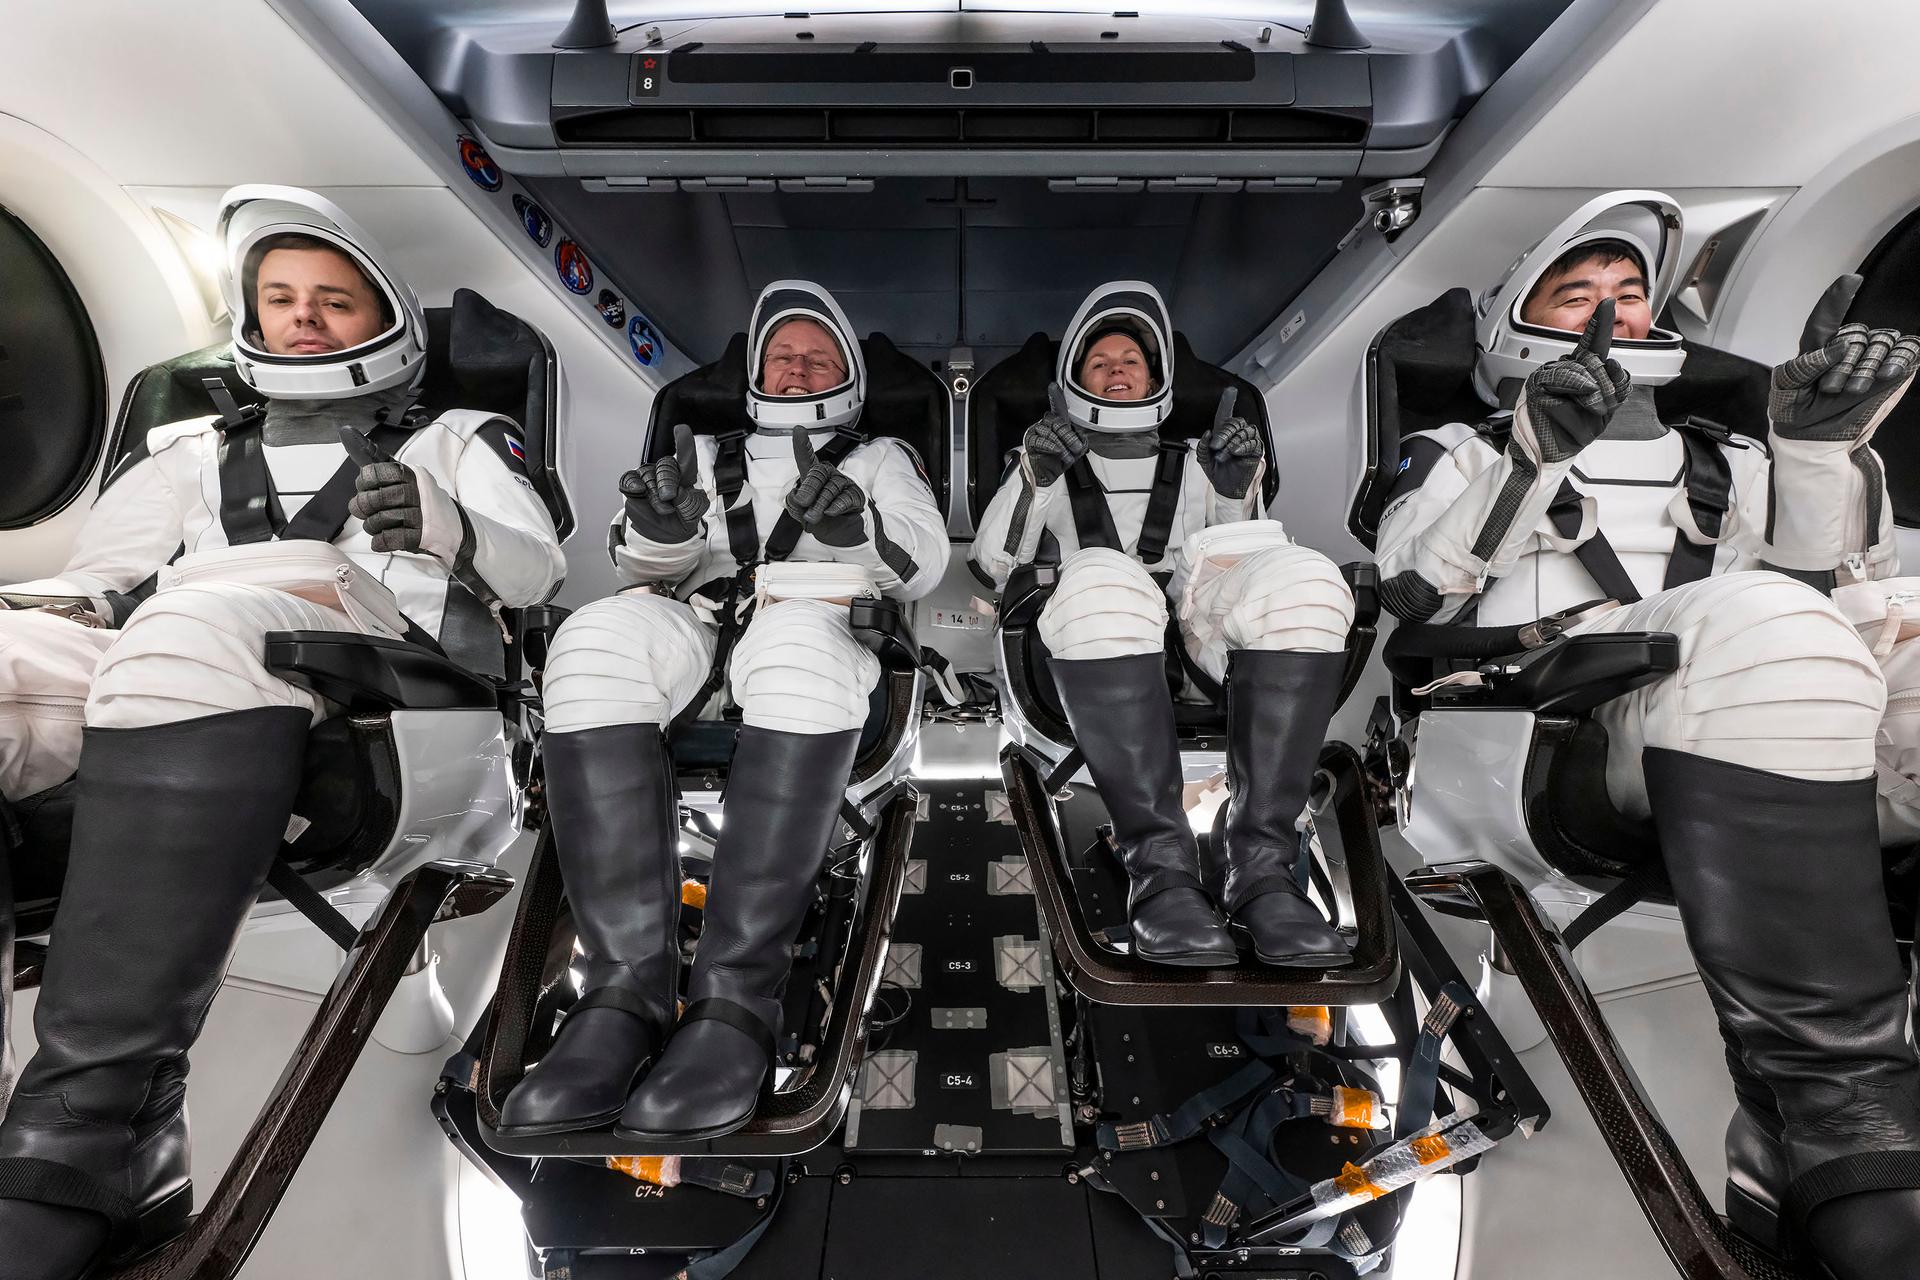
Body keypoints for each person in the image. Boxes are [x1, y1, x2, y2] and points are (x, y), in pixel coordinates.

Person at [0, 185, 565, 1280]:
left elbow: (536, 569)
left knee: (199, 615)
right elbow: (95, 583)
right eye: (281, 298)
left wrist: (447, 523)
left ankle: (93, 1137)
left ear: (384, 317)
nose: (304, 318)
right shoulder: (187, 450)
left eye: (334, 301)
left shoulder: (455, 436)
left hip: (393, 675)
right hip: (178, 646)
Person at [1376, 190, 1920, 1278]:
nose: (1612, 310)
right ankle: (1830, 1121)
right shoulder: (1453, 450)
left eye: (1629, 291)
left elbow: (1835, 600)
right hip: (1534, 738)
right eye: (1578, 292)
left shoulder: (1731, 457)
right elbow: (1416, 594)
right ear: (1515, 325)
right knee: (1761, 617)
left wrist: (1815, 456)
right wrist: (1529, 454)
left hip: (1735, 719)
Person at [497, 281, 947, 1143]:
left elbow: (920, 567)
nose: (798, 367)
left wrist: (856, 531)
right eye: (783, 355)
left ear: (848, 375)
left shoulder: (882, 457)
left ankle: (735, 1007)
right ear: (756, 371)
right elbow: (645, 571)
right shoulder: (698, 448)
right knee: (594, 640)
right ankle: (622, 997)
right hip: (701, 618)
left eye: (817, 356)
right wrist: (657, 522)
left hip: (820, 622)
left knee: (795, 650)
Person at [973, 282, 1355, 969]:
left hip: (1198, 635)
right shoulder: (1047, 462)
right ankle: (1161, 875)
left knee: (1308, 578)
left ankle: (1263, 872)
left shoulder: (1203, 464)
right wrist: (1034, 475)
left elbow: (1243, 566)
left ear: (1156, 379)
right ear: (1072, 383)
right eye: (1100, 364)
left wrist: (1239, 492)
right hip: (1090, 633)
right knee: (1101, 576)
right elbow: (996, 563)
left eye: (1132, 362)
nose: (1117, 370)